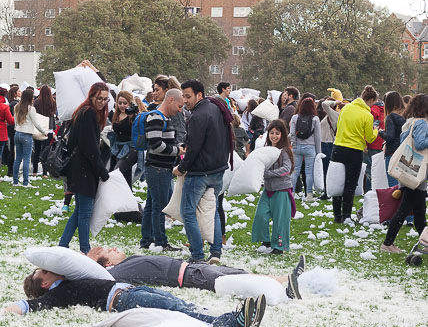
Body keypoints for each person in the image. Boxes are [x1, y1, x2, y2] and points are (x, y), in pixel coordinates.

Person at [6, 266, 266, 327]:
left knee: (181, 305)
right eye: (43, 271)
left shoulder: (70, 277)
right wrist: (4, 311)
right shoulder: (59, 293)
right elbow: (33, 306)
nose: (47, 268)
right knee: (177, 309)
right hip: (124, 300)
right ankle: (231, 322)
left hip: (130, 290)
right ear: (45, 283)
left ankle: (234, 318)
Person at [88, 245, 307, 300]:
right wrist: (90, 259)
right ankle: (285, 287)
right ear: (106, 264)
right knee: (237, 280)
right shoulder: (117, 272)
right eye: (110, 251)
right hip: (191, 275)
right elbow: (87, 272)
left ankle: (286, 280)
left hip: (193, 268)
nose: (115, 249)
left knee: (238, 272)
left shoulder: (126, 264)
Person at [175, 79, 233, 265]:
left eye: (188, 96)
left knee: (188, 212)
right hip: (218, 169)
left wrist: (181, 168)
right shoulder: (216, 108)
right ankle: (215, 252)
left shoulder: (199, 115)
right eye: (183, 96)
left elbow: (194, 148)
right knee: (213, 210)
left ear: (199, 95)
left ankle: (197, 254)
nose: (185, 100)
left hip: (200, 172)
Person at [59, 82, 111, 253]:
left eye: (105, 99)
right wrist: (102, 171)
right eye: (99, 98)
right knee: (84, 213)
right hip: (84, 169)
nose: (102, 102)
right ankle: (85, 249)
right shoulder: (88, 113)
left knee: (80, 211)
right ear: (92, 96)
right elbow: (89, 148)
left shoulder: (84, 111)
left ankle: (63, 245)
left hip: (80, 167)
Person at [380, 93, 428, 253]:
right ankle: (387, 243)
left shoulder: (410, 122)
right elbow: (421, 144)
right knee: (404, 210)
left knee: (420, 212)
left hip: (409, 171)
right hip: (416, 173)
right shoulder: (422, 123)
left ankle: (425, 242)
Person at [141, 88, 184, 252]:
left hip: (159, 167)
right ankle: (160, 242)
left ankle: (146, 239)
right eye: (179, 106)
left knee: (152, 205)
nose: (180, 110)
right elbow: (155, 144)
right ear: (171, 100)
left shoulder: (163, 118)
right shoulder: (156, 117)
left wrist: (176, 147)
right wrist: (176, 151)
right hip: (158, 168)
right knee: (160, 207)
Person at [330, 84, 377, 224]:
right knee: (350, 185)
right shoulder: (367, 115)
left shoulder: (346, 108)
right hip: (355, 151)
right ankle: (346, 216)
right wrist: (375, 130)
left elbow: (339, 125)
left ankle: (337, 215)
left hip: (338, 147)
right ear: (371, 100)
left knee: (337, 182)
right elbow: (370, 138)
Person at [251, 119, 294, 254]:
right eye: (271, 133)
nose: (274, 136)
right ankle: (266, 241)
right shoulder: (266, 149)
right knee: (261, 215)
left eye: (277, 133)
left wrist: (268, 174)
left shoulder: (285, 151)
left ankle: (279, 246)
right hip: (268, 189)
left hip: (281, 189)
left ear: (282, 135)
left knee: (280, 220)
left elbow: (287, 168)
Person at [13, 88, 48, 186]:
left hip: (17, 133)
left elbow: (15, 121)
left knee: (18, 159)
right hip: (26, 135)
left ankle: (15, 181)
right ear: (30, 98)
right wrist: (44, 132)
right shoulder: (31, 109)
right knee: (27, 159)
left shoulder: (16, 106)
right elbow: (36, 123)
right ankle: (25, 181)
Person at [289, 95, 321, 199]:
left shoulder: (295, 117)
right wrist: (318, 152)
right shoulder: (315, 119)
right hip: (310, 147)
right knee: (309, 172)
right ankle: (309, 194)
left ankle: (291, 193)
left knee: (295, 171)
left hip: (297, 147)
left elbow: (292, 133)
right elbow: (317, 137)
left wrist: (294, 144)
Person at [378, 91, 405, 187]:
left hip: (393, 152)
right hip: (404, 152)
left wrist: (380, 132)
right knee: (402, 184)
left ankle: (395, 202)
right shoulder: (405, 115)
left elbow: (390, 136)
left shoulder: (391, 117)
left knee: (393, 184)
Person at [32, 85, 57, 175]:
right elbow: (53, 113)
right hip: (49, 128)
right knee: (46, 150)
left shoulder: (36, 102)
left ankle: (35, 170)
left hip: (39, 128)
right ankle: (45, 172)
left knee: (37, 150)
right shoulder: (53, 102)